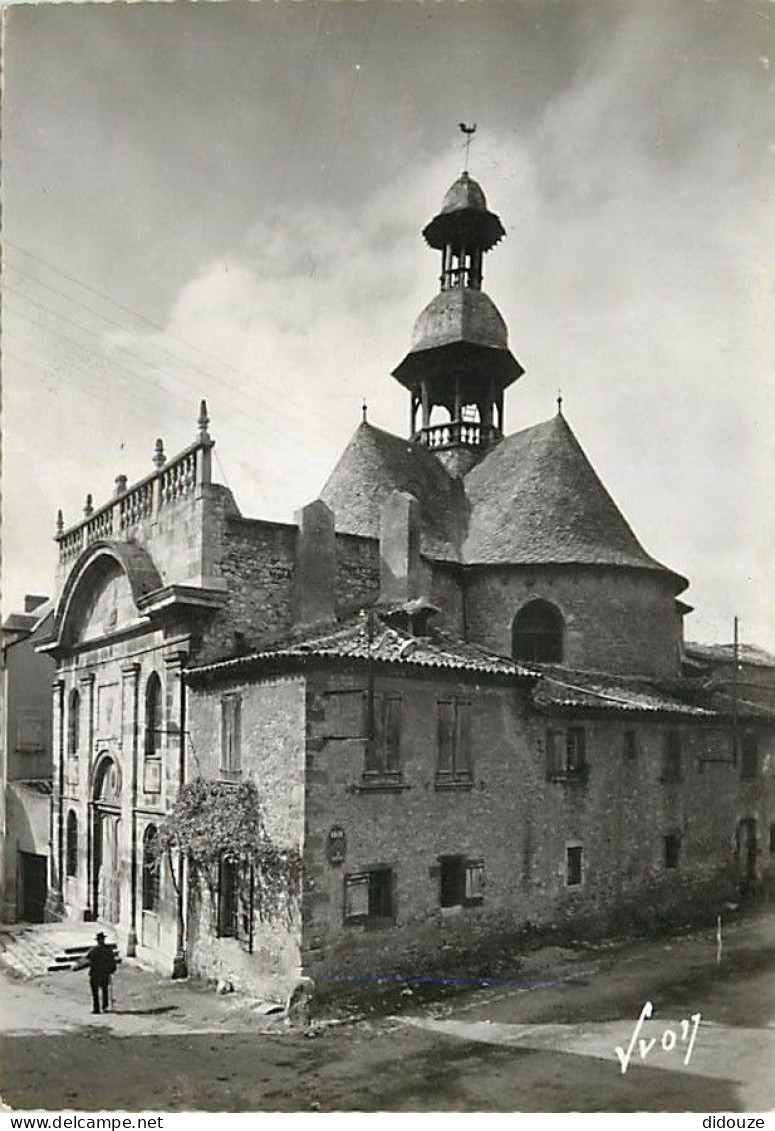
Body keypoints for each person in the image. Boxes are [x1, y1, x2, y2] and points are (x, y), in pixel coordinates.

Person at [80, 931, 117, 1014]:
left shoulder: (94, 950)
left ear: (97, 940)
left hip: (95, 973)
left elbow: (87, 958)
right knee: (104, 990)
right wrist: (112, 970)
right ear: (103, 940)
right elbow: (112, 961)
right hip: (104, 973)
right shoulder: (108, 950)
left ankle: (96, 1008)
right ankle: (104, 1006)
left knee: (95, 992)